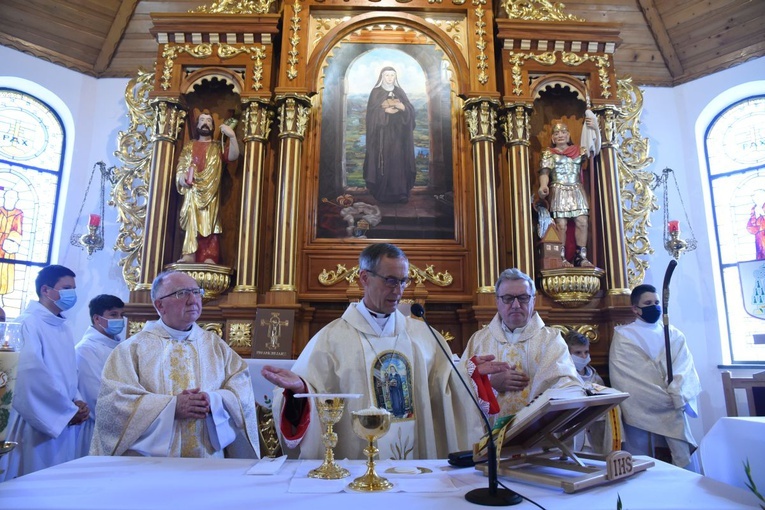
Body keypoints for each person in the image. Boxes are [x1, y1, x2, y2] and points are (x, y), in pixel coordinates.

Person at [261, 243, 508, 460]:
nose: (398, 290)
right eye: (390, 280)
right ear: (364, 278)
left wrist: (470, 375)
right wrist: (300, 390)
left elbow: (444, 387)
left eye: (403, 281)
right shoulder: (331, 339)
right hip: (356, 465)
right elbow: (312, 397)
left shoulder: (422, 335)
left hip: (416, 465)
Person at [90, 270, 260, 458]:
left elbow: (241, 388)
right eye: (182, 293)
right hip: (151, 466)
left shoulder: (216, 346)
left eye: (196, 292)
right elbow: (114, 404)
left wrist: (213, 401)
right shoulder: (132, 349)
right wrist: (171, 407)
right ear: (160, 305)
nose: (192, 300)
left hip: (207, 462)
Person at [0, 265, 88, 481]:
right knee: (32, 481)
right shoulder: (27, 323)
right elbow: (28, 376)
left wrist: (77, 401)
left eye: (74, 288)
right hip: (38, 420)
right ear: (46, 290)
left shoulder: (63, 327)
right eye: (66, 287)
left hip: (64, 417)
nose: (72, 294)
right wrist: (66, 411)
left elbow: (69, 374)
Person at [460, 268, 582, 419]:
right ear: (497, 301)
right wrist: (490, 384)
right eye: (508, 298)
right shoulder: (478, 341)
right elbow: (459, 388)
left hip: (537, 434)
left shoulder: (551, 340)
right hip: (490, 435)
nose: (516, 305)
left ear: (533, 300)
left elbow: (566, 386)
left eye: (523, 297)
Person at [609, 284, 702, 469]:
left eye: (657, 302)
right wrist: (664, 400)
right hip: (641, 411)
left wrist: (677, 392)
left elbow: (685, 368)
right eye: (648, 303)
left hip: (674, 404)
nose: (655, 306)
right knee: (644, 464)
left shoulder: (674, 334)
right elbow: (628, 379)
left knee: (684, 464)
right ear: (635, 309)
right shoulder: (624, 336)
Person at [176, 109, 239, 264]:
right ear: (197, 125)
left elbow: (232, 156)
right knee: (192, 221)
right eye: (202, 120)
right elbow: (182, 165)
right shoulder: (190, 146)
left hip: (211, 192)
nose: (205, 123)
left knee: (210, 222)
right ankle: (189, 254)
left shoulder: (218, 146)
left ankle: (210, 256)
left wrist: (232, 136)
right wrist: (181, 176)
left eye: (209, 121)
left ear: (213, 126)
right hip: (193, 190)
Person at [538, 120, 597, 267]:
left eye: (563, 132)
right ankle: (561, 256)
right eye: (556, 133)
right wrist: (543, 185)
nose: (560, 136)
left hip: (576, 188)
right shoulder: (549, 154)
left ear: (568, 135)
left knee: (582, 222)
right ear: (552, 138)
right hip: (558, 189)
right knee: (561, 224)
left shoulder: (579, 151)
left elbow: (596, 147)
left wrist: (594, 126)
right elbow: (545, 172)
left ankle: (581, 257)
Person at [74, 294, 125, 457]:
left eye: (121, 315)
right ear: (97, 318)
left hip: (121, 424)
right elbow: (95, 395)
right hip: (97, 429)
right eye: (113, 315)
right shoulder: (86, 350)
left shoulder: (121, 346)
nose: (120, 319)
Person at [362, 67, 417, 204]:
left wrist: (403, 108)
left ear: (395, 77)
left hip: (399, 135)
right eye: (387, 75)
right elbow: (371, 115)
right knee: (383, 161)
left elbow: (410, 109)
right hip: (382, 136)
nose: (389, 78)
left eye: (392, 75)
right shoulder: (376, 92)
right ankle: (382, 193)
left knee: (398, 161)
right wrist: (384, 111)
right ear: (382, 76)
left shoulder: (399, 92)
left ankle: (400, 192)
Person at [565, 330, 624, 454]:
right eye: (578, 353)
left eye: (586, 352)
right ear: (567, 353)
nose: (583, 356)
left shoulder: (594, 375)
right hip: (574, 426)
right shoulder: (563, 376)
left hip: (596, 427)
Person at [0, 188, 23, 296]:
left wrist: (11, 242)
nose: (10, 200)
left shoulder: (17, 214)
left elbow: (17, 231)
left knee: (4, 275)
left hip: (7, 249)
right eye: (9, 197)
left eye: (13, 198)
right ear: (4, 198)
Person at [746, 189, 765, 260]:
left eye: (756, 198)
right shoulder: (754, 210)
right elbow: (750, 228)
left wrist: (763, 214)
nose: (755, 201)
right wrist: (756, 217)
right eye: (754, 200)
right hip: (760, 242)